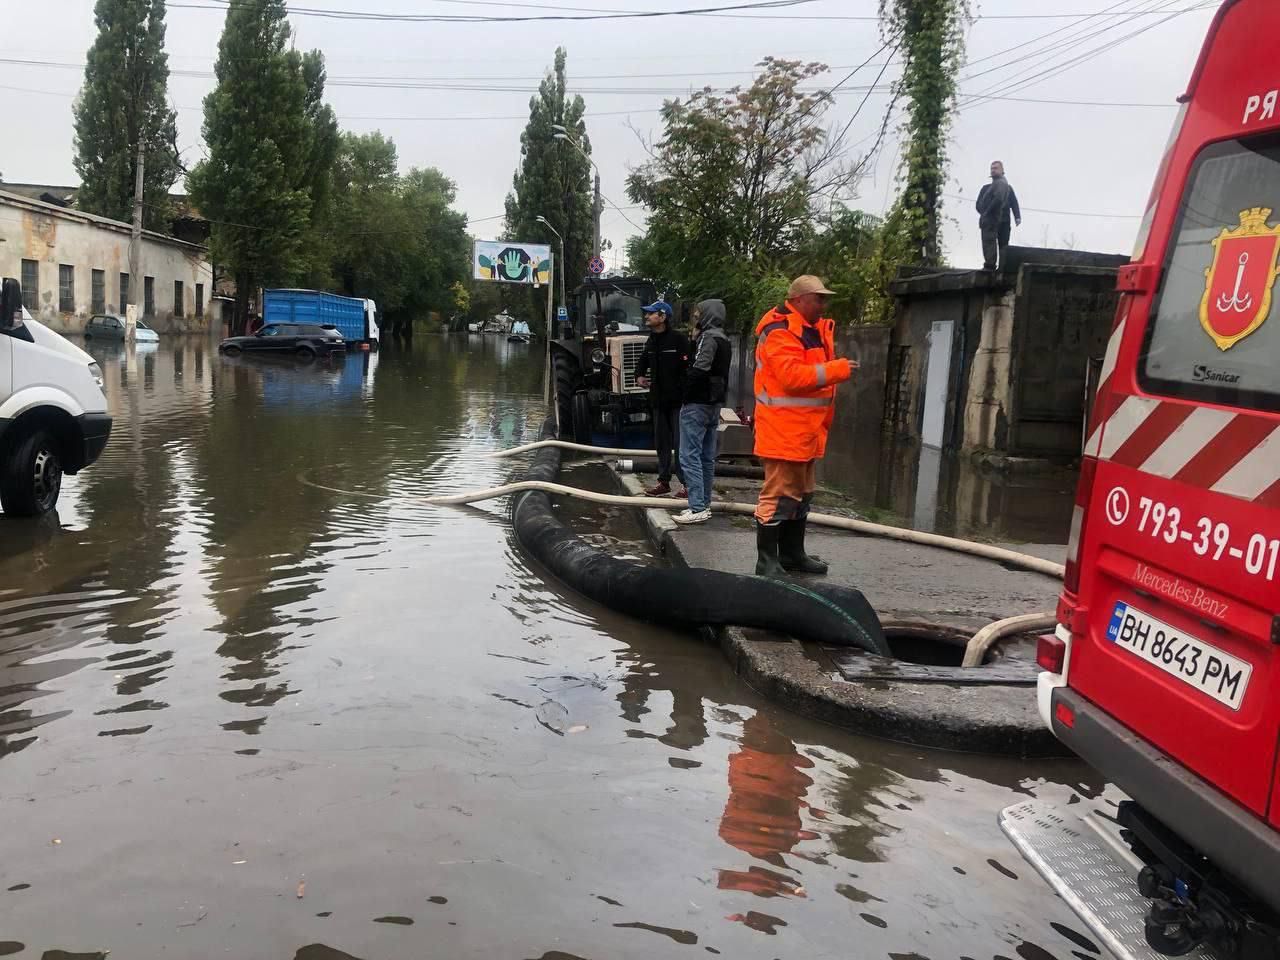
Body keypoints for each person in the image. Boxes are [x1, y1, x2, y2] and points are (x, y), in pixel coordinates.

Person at [752, 276, 858, 576]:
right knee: (779, 494)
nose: (824, 304)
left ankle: (791, 554)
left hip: (805, 431)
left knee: (802, 493)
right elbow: (792, 378)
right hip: (782, 430)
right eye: (819, 298)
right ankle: (766, 561)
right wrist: (837, 369)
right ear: (799, 299)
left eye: (825, 298)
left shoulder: (811, 330)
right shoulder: (780, 332)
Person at [673, 299, 732, 525]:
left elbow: (699, 369)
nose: (696, 318)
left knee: (689, 455)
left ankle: (697, 506)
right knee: (707, 457)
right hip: (714, 403)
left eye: (699, 314)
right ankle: (704, 504)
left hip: (697, 403)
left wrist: (683, 391)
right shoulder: (725, 339)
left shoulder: (708, 338)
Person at [633, 300, 690, 496]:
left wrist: (684, 393)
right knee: (662, 444)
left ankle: (687, 485)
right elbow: (643, 362)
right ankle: (663, 482)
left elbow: (689, 369)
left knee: (680, 445)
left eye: (651, 313)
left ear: (663, 317)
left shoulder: (679, 340)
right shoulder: (651, 341)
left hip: (677, 402)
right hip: (658, 401)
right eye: (646, 313)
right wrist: (639, 375)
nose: (647, 316)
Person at [976, 160, 1021, 272]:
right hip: (990, 220)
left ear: (1002, 170)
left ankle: (1003, 268)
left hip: (1004, 221)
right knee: (989, 243)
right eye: (992, 168)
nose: (993, 170)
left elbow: (1014, 202)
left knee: (1003, 244)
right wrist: (985, 213)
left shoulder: (1007, 187)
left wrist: (1017, 217)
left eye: (996, 168)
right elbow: (978, 204)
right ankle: (990, 265)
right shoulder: (985, 188)